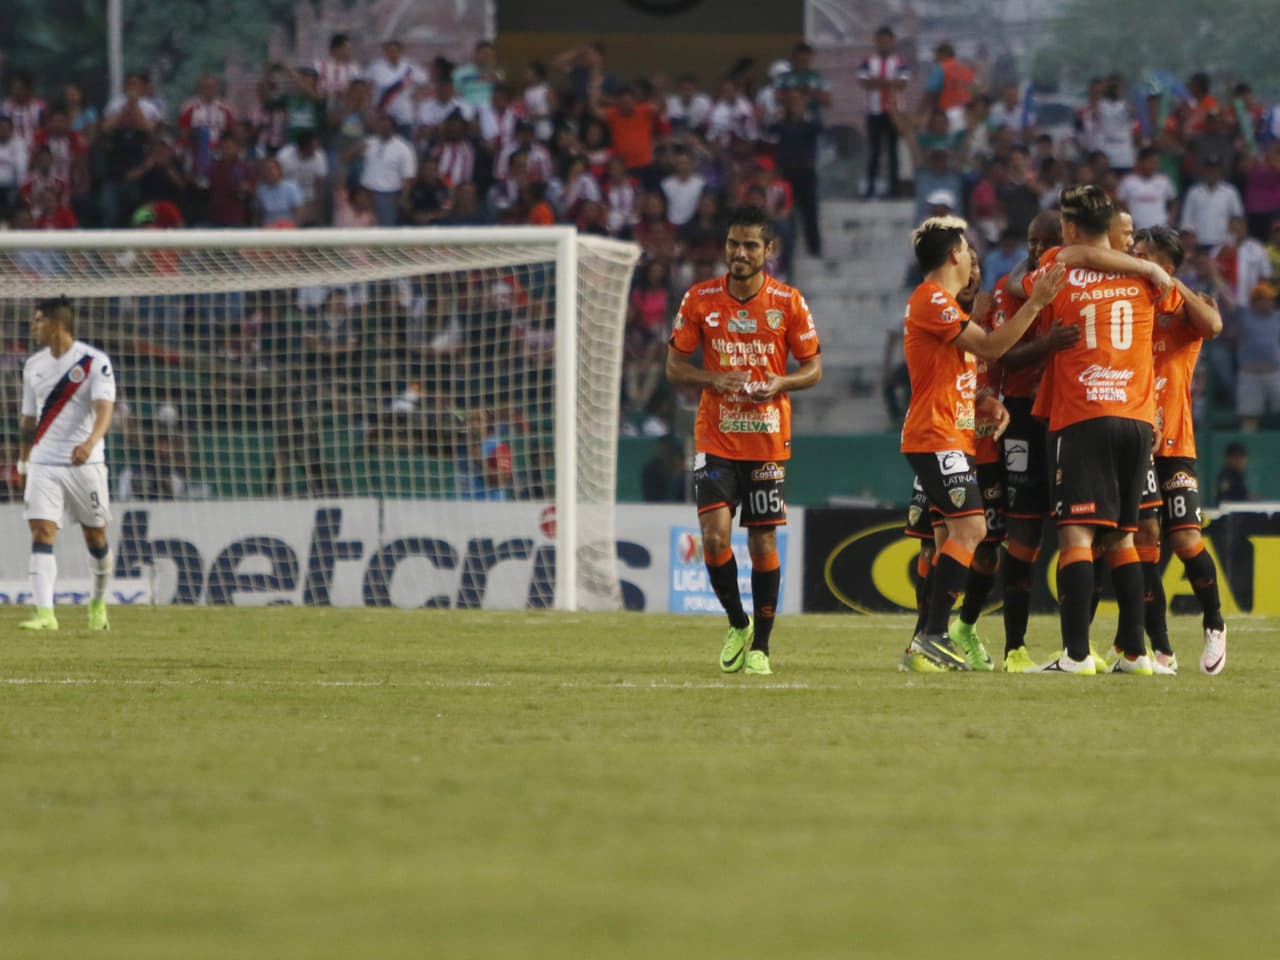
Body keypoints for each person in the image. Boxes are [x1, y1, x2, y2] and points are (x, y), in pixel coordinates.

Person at [897, 215, 1065, 672]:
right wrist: (1037, 304)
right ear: (955, 254)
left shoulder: (942, 304)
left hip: (952, 432)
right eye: (966, 247)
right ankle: (932, 634)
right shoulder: (932, 299)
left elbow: (948, 374)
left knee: (958, 533)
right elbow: (992, 347)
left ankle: (929, 638)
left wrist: (984, 403)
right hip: (934, 436)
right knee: (969, 531)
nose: (972, 255)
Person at [665, 206, 823, 676]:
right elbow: (675, 368)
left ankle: (763, 649)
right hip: (715, 439)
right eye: (734, 243)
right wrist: (713, 377)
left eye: (751, 245)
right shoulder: (699, 299)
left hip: (768, 442)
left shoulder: (789, 302)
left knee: (761, 540)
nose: (739, 252)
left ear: (768, 251)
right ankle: (738, 622)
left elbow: (813, 368)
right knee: (714, 540)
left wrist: (780, 383)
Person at [1031, 186, 1168, 675]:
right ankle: (1134, 652)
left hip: (1084, 414)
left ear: (1069, 226)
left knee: (1076, 535)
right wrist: (1151, 267)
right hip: (1136, 419)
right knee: (1123, 539)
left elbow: (1068, 257)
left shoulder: (1057, 267)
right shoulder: (1148, 284)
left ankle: (1075, 655)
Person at [1131, 225, 1228, 674]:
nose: (1135, 256)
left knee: (1186, 538)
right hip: (1134, 441)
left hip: (1176, 441)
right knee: (1145, 539)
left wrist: (1175, 284)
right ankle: (1162, 647)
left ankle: (1214, 623)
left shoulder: (1184, 306)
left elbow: (1213, 326)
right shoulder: (1126, 304)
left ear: (1165, 266)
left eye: (1144, 253)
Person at [16, 297, 117, 631]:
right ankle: (45, 614)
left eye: (39, 320)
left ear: (57, 325)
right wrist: (23, 459)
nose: (34, 326)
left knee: (96, 537)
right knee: (42, 530)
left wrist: (89, 444)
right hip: (44, 462)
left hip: (84, 464)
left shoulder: (93, 362)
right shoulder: (33, 366)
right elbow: (28, 420)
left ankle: (98, 604)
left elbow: (104, 410)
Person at [859, 26, 909, 199]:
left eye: (887, 41)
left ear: (892, 42)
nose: (884, 44)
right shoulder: (868, 61)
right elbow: (864, 83)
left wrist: (878, 82)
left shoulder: (899, 61)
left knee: (893, 151)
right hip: (873, 111)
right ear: (876, 42)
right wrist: (889, 82)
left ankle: (894, 189)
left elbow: (902, 84)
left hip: (894, 111)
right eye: (881, 41)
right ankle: (870, 188)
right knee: (874, 151)